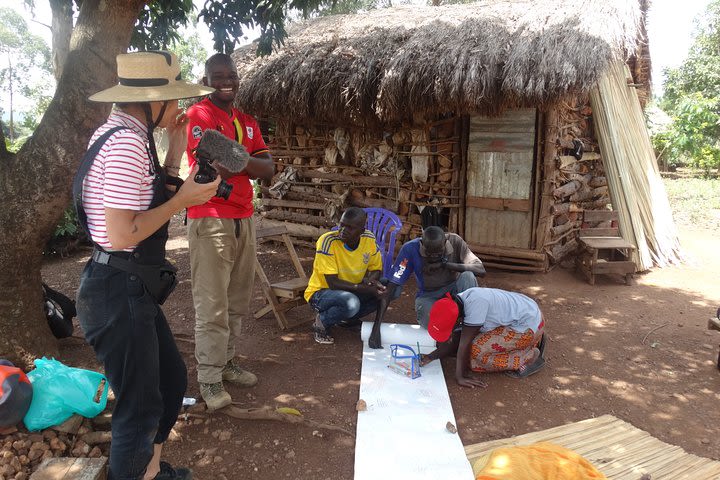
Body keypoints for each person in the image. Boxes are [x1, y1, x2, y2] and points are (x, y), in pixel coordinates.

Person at [75, 51, 218, 480]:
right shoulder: (124, 145)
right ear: (151, 101)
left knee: (171, 382)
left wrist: (173, 151)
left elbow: (142, 201)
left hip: (126, 285)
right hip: (117, 289)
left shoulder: (125, 134)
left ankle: (149, 471)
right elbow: (123, 232)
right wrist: (183, 200)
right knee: (138, 410)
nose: (177, 108)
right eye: (172, 100)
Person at [185, 53, 274, 411]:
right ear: (207, 79)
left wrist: (240, 160)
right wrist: (247, 162)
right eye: (217, 75)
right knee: (212, 303)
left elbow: (268, 169)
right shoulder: (199, 114)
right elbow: (215, 161)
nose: (226, 80)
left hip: (244, 217)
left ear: (238, 79)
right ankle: (208, 376)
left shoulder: (247, 121)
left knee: (237, 300)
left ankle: (226, 363)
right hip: (210, 216)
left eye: (231, 75)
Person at [420, 288, 546, 388]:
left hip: (529, 326)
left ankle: (529, 356)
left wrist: (460, 377)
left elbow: (464, 344)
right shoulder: (459, 301)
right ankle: (526, 344)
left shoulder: (476, 307)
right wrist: (431, 357)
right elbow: (457, 337)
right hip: (526, 312)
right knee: (456, 346)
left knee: (476, 352)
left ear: (458, 319)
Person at [305, 207, 386, 345]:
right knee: (351, 303)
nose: (343, 230)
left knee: (388, 288)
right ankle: (322, 322)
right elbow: (333, 283)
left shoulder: (369, 239)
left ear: (361, 231)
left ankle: (346, 319)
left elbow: (376, 269)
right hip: (321, 293)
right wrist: (366, 288)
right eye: (342, 224)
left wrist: (372, 282)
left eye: (350, 227)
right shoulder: (327, 241)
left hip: (350, 290)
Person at [380, 226, 486, 329]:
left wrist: (445, 264)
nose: (434, 257)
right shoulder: (410, 249)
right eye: (429, 253)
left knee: (468, 276)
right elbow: (393, 283)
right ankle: (452, 325)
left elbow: (480, 269)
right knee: (430, 322)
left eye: (439, 253)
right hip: (429, 294)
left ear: (445, 243)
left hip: (455, 289)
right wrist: (377, 327)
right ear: (422, 244)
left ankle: (470, 322)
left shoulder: (455, 241)